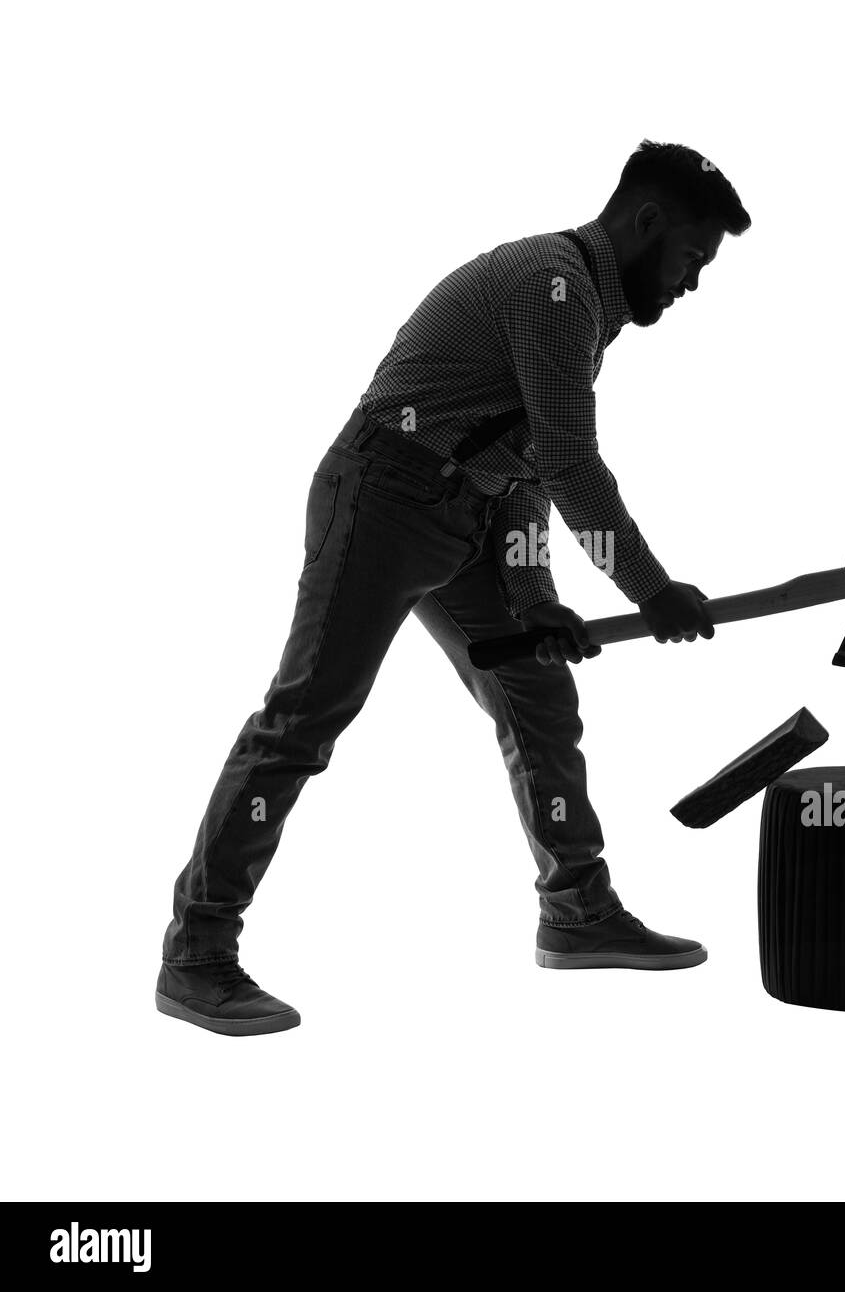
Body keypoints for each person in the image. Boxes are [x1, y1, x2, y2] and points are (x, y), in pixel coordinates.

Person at [156, 139, 751, 1035]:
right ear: (648, 222)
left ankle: (578, 910)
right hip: (385, 493)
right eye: (692, 258)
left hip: (468, 509)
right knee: (305, 717)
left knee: (538, 694)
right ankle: (196, 953)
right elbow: (570, 461)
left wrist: (536, 593)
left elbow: (521, 470)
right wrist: (650, 589)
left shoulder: (585, 306)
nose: (692, 283)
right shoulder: (554, 284)